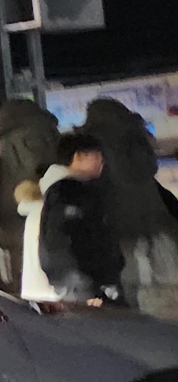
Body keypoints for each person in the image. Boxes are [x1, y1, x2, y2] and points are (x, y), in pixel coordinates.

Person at [37, 130, 124, 304]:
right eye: (97, 155)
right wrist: (100, 276)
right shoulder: (69, 191)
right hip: (83, 280)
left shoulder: (62, 190)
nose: (102, 161)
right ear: (78, 156)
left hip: (77, 278)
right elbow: (75, 237)